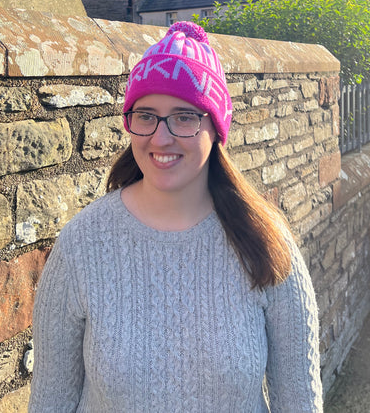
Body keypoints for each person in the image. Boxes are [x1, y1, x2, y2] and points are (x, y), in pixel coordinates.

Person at [29, 21, 323, 412]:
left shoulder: (265, 243)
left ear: (215, 128)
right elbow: (50, 402)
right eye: (146, 115)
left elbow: (300, 402)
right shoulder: (82, 246)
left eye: (184, 117)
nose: (161, 138)